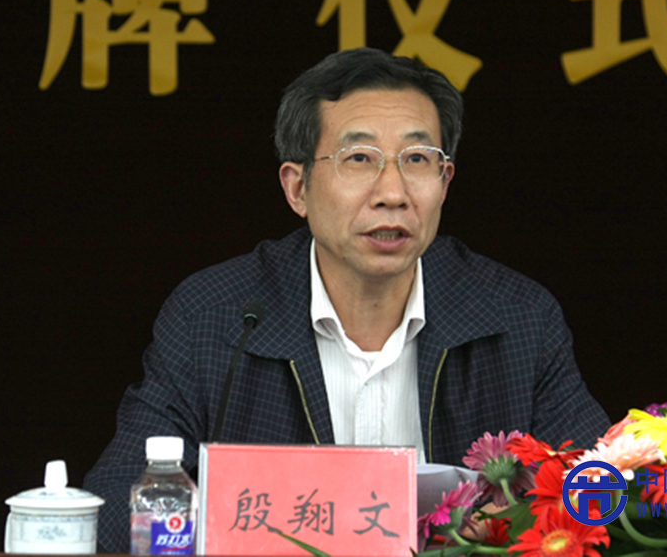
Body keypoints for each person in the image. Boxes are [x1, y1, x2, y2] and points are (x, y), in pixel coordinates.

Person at [83, 47, 610, 552]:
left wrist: (515, 524)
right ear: (298, 189)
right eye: (360, 158)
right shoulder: (214, 318)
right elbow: (115, 506)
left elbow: (604, 488)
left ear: (445, 182)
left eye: (417, 159)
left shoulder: (516, 318)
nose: (393, 193)